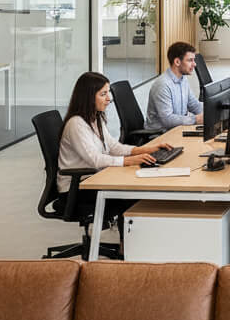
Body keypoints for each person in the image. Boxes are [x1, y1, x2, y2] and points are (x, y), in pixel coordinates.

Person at [58, 71, 172, 215]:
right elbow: (95, 160)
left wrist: (145, 150)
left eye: (108, 93)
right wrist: (127, 161)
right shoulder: (76, 124)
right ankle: (129, 236)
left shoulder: (95, 117)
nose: (109, 99)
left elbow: (113, 146)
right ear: (88, 97)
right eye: (103, 94)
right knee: (132, 196)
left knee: (136, 188)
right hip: (77, 189)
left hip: (95, 178)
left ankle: (130, 235)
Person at [145, 41, 204, 132]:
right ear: (177, 62)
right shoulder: (163, 85)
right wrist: (195, 119)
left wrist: (213, 109)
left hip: (176, 129)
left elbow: (194, 105)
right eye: (190, 60)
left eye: (194, 60)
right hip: (159, 134)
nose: (194, 64)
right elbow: (168, 120)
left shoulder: (183, 79)